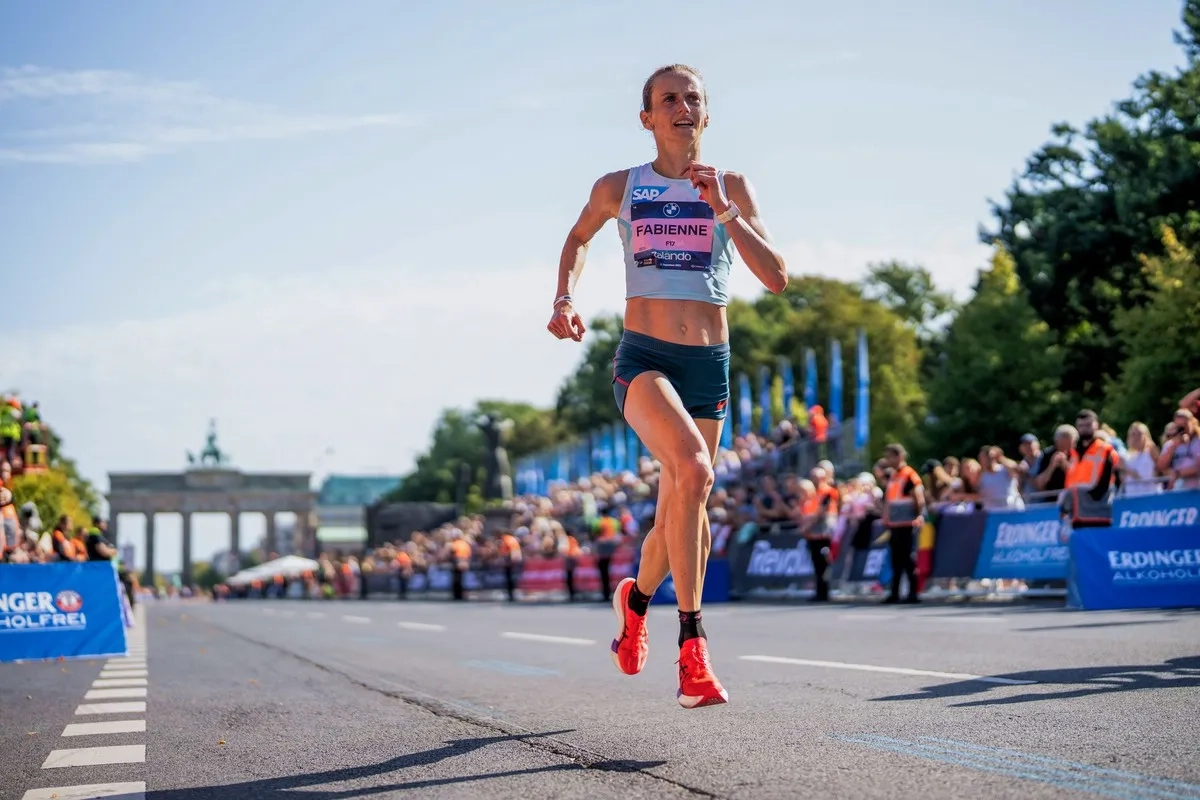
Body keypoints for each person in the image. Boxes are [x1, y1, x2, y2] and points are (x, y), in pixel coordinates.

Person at [547, 64, 787, 708]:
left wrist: (726, 211)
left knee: (684, 501)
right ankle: (692, 647)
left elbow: (776, 277)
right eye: (668, 99)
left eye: (693, 99)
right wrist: (565, 297)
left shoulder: (731, 186)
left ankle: (637, 601)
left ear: (707, 115)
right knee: (693, 469)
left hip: (709, 361)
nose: (683, 107)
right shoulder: (620, 186)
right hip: (644, 356)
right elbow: (577, 238)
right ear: (648, 118)